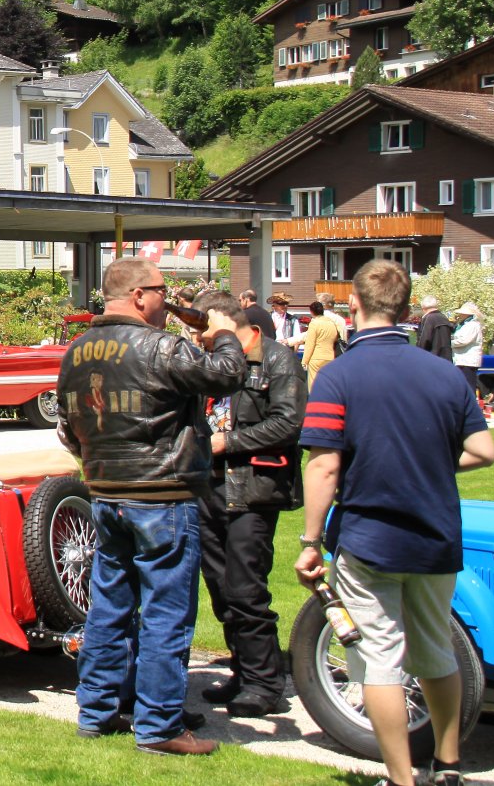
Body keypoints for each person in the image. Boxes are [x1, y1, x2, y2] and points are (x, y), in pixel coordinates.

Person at [296, 259, 494, 786]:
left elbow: (324, 464)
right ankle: (448, 766)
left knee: (379, 660)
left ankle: (402, 778)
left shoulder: (337, 376)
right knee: (436, 650)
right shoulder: (444, 373)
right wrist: (428, 461)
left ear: (353, 305)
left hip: (369, 536)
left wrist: (310, 541)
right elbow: (483, 450)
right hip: (436, 534)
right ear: (407, 310)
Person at [56, 257, 246, 756]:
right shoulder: (161, 346)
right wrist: (225, 334)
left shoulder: (75, 351)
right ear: (139, 295)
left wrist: (97, 462)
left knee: (108, 607)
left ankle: (96, 712)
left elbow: (67, 428)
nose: (170, 300)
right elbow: (228, 375)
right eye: (163, 291)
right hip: (162, 494)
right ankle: (160, 725)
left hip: (105, 492)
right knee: (166, 612)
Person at [191, 290, 307, 718]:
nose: (197, 337)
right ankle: (244, 672)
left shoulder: (277, 360)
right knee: (221, 589)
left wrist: (228, 442)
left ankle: (264, 683)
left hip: (252, 489)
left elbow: (289, 424)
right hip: (208, 487)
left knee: (245, 589)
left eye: (201, 327)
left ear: (222, 320)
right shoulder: (210, 362)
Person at [293, 300, 341, 388]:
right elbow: (335, 338)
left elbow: (310, 344)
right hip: (330, 357)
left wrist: (304, 361)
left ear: (311, 311)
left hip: (316, 358)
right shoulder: (331, 323)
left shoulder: (314, 323)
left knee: (313, 385)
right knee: (327, 384)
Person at [450, 302, 484, 395]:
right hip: (462, 359)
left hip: (468, 361)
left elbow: (463, 340)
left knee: (468, 385)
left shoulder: (472, 325)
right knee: (463, 385)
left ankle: (470, 403)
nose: (460, 315)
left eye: (462, 313)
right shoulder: (464, 325)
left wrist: (448, 343)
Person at [418, 296, 453, 362]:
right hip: (446, 358)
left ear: (423, 307)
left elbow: (424, 340)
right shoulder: (444, 317)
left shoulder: (429, 318)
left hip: (432, 358)